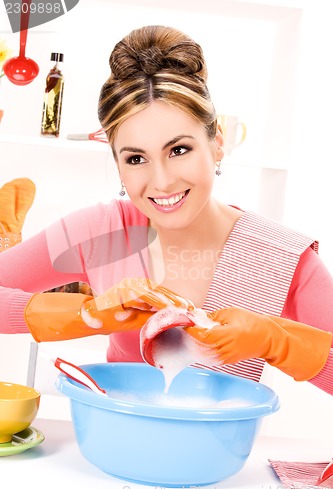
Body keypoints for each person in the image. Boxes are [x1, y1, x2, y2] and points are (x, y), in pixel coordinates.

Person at [0, 25, 332, 395]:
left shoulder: (280, 257)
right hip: (113, 443)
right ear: (118, 164)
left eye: (178, 150)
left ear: (217, 143)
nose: (161, 182)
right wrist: (84, 315)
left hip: (220, 448)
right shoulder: (102, 231)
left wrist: (278, 341)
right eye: (136, 158)